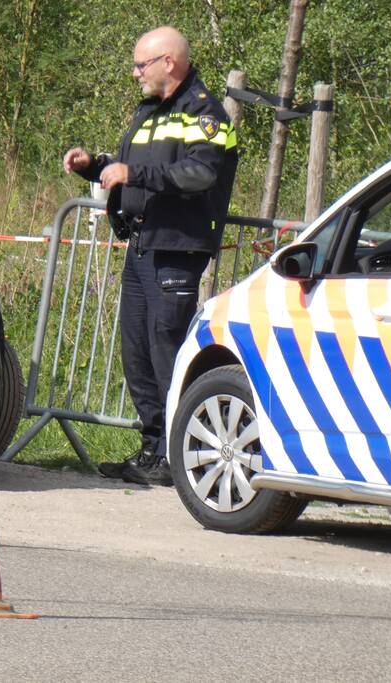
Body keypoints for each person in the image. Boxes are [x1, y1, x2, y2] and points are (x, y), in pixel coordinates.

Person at [63, 26, 237, 486]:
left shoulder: (206, 115)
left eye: (142, 64)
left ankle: (181, 457)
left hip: (177, 249)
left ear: (169, 63)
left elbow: (199, 172)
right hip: (140, 245)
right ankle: (151, 451)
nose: (136, 73)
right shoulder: (149, 112)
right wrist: (95, 166)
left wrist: (132, 170)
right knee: (136, 352)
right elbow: (129, 171)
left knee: (167, 353)